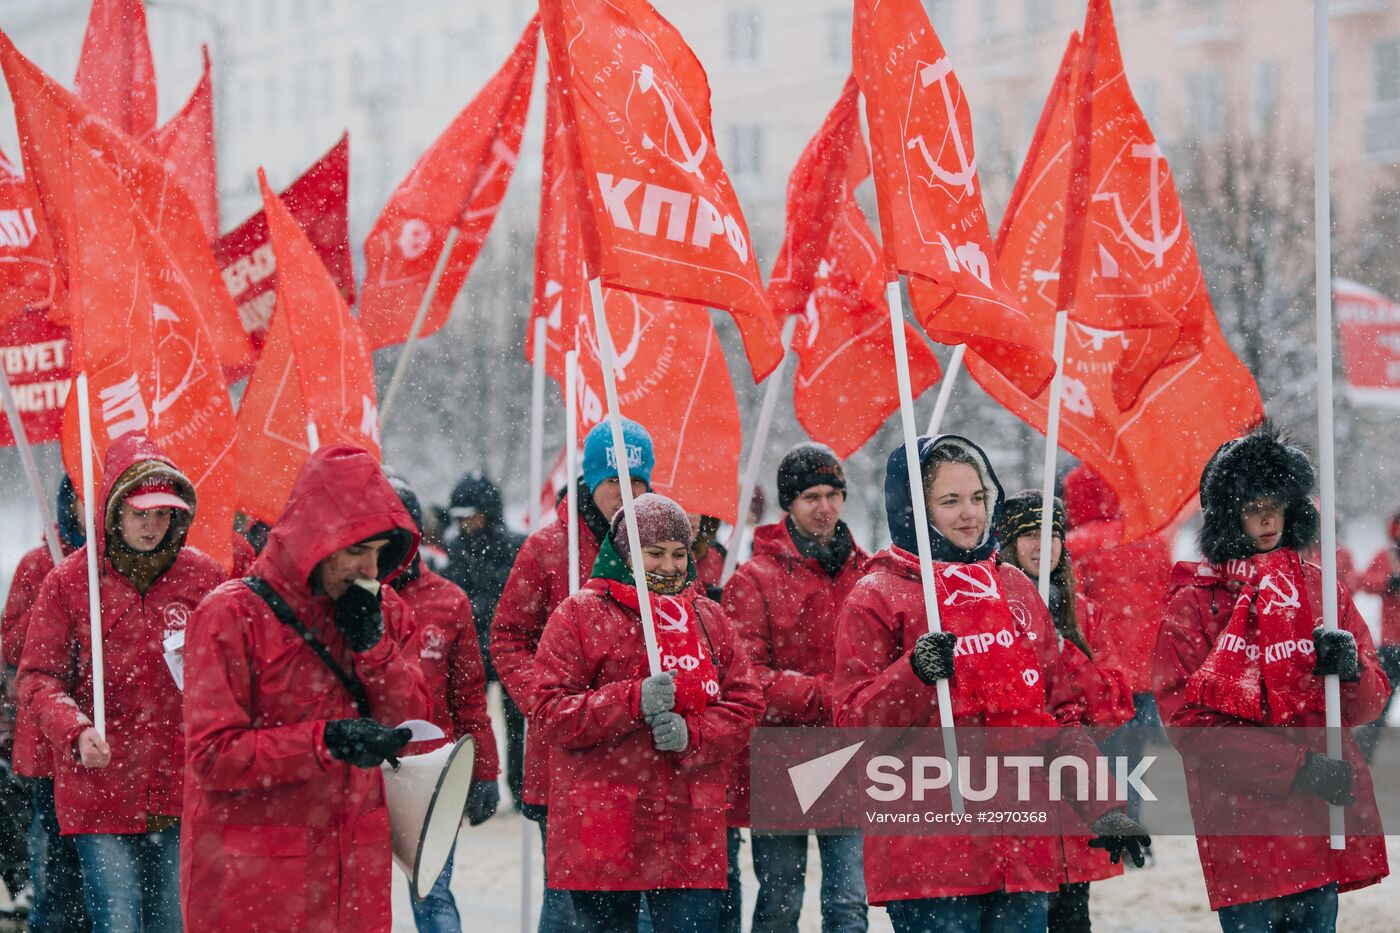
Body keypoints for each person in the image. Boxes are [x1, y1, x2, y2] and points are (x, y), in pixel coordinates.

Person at [833, 435, 1149, 933]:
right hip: (931, 857)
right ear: (916, 508)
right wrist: (912, 674)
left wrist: (1102, 805)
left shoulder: (1015, 588)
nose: (969, 514)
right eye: (950, 501)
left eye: (978, 498)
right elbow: (853, 726)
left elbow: (1057, 713)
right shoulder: (879, 594)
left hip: (1021, 850)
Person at [180, 444, 431, 933]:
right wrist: (326, 741)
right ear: (313, 540)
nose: (369, 571)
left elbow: (413, 727)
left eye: (379, 555)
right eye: (355, 551)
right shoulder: (229, 616)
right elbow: (213, 756)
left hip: (353, 875)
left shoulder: (385, 611)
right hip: (258, 881)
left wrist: (374, 649)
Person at [1153, 423, 1390, 930]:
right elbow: (1190, 724)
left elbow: (1367, 704)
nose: (1266, 518)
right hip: (1244, 829)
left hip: (1318, 821)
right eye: (1251, 505)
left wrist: (1350, 673)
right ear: (1227, 514)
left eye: (1275, 502)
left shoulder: (1322, 591)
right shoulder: (1193, 605)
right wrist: (1296, 767)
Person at [19, 436, 227, 933]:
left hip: (182, 790)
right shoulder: (70, 582)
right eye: (140, 513)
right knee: (118, 923)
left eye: (163, 513)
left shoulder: (207, 579)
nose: (152, 525)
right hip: (101, 790)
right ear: (114, 512)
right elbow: (38, 677)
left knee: (172, 925)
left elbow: (237, 671)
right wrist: (75, 728)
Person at [531, 493, 763, 933]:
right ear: (623, 553)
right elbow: (549, 713)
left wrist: (693, 733)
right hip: (605, 827)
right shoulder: (578, 615)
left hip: (688, 828)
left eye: (679, 554)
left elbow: (746, 705)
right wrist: (631, 700)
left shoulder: (708, 617)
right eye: (654, 553)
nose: (670, 565)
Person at [493, 418, 655, 933]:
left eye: (637, 482)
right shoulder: (546, 549)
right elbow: (508, 637)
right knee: (568, 904)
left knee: (644, 903)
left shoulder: (660, 550)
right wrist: (545, 703)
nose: (625, 495)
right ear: (589, 481)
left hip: (643, 757)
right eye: (613, 482)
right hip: (567, 758)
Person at [723, 443, 869, 933]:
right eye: (811, 496)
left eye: (833, 493)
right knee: (781, 896)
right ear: (789, 503)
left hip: (851, 754)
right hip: (780, 756)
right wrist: (831, 696)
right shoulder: (754, 579)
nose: (824, 506)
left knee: (849, 902)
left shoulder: (869, 575)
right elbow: (749, 678)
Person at [996, 491, 1137, 933]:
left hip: (1075, 806)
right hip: (1016, 803)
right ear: (1007, 543)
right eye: (1029, 535)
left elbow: (1112, 709)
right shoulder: (988, 610)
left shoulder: (1086, 615)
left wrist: (1064, 646)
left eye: (1053, 534)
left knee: (1073, 920)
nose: (1044, 545)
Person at [388, 477, 501, 933]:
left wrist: (485, 771)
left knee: (431, 893)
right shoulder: (346, 602)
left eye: (402, 531)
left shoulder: (449, 601)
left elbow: (470, 697)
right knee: (359, 899)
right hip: (362, 771)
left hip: (431, 775)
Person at [1063, 465, 1172, 822]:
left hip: (1104, 667)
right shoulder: (1151, 538)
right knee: (1136, 751)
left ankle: (1112, 823)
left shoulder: (1077, 545)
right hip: (1146, 666)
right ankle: (1137, 822)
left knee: (1104, 751)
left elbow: (1075, 610)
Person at [2, 476, 87, 932]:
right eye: (81, 499)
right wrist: (52, 616)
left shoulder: (121, 570)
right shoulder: (37, 565)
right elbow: (13, 649)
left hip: (108, 750)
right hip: (49, 747)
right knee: (54, 862)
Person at [442, 472, 526, 808]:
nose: (465, 523)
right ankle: (473, 788)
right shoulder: (454, 550)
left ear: (488, 513)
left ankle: (520, 790)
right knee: (470, 723)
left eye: (470, 515)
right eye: (458, 517)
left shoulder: (514, 547)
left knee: (517, 725)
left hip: (508, 649)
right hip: (471, 650)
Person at [1354, 509, 1400, 760]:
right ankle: (1364, 753)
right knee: (1379, 705)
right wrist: (1389, 581)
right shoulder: (1388, 557)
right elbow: (1364, 581)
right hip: (1393, 645)